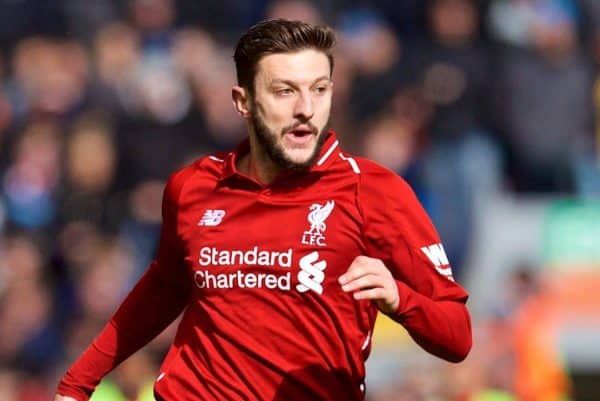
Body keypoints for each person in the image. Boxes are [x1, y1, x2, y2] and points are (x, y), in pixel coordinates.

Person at [55, 19, 472, 401]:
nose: (305, 108)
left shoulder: (376, 192)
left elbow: (457, 337)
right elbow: (162, 289)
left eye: (319, 89)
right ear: (244, 101)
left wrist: (400, 298)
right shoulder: (194, 187)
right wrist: (77, 385)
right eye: (285, 91)